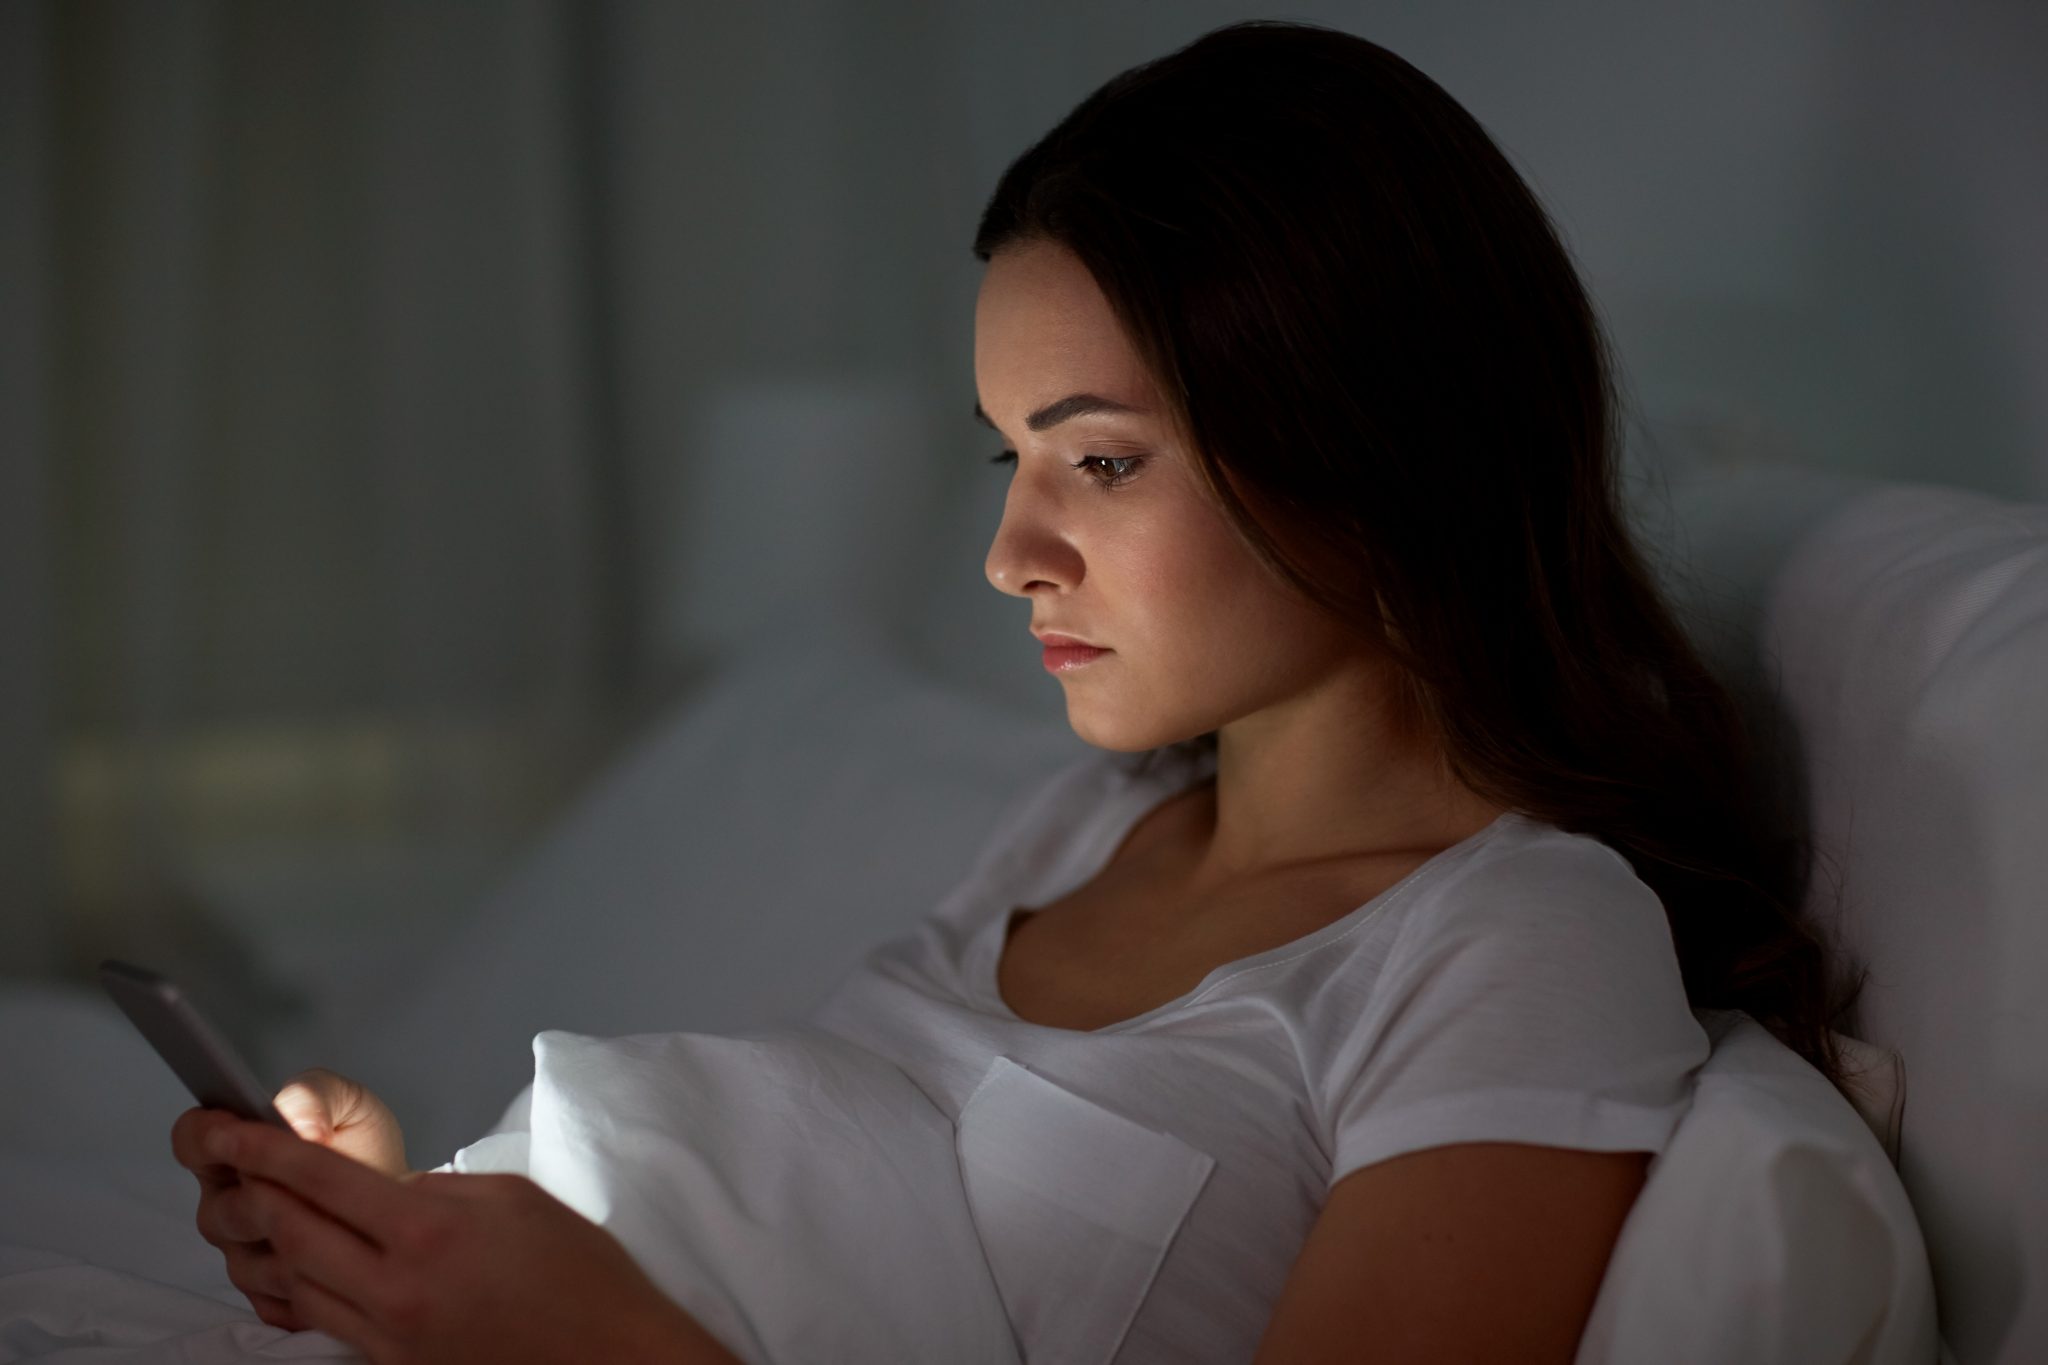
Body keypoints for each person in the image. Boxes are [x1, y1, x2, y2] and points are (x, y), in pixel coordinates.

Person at [170, 17, 1869, 1364]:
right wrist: (402, 1249)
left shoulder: (1515, 946)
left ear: (1371, 450)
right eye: (1012, 460)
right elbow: (814, 1251)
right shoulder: (1080, 830)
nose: (1010, 555)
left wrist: (588, 1344)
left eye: (1103, 463)